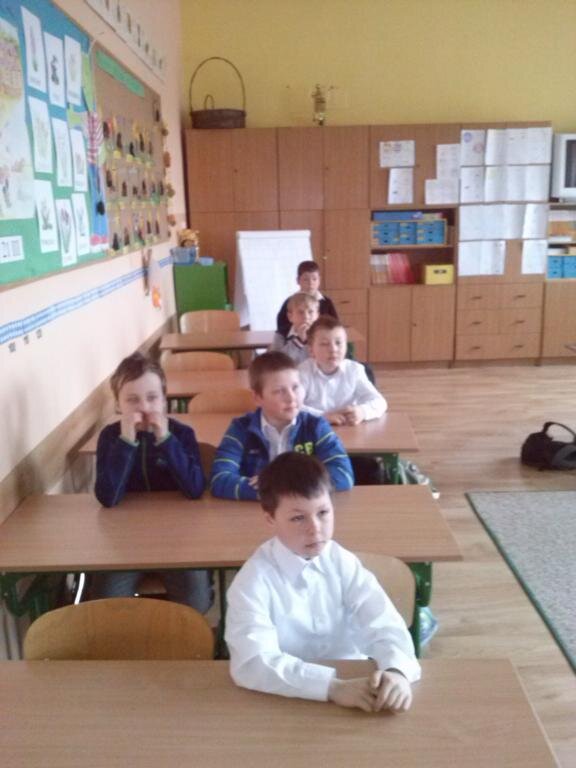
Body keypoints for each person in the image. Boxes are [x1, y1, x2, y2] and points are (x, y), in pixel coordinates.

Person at [225, 452, 421, 712]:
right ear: (270, 518)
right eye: (298, 518)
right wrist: (331, 687)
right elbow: (252, 663)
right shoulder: (252, 581)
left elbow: (384, 623)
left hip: (360, 687)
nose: (315, 529)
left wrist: (396, 671)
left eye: (323, 512)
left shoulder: (342, 562)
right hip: (284, 699)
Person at [92, 352, 212, 612]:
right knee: (105, 603)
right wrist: (127, 442)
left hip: (178, 540)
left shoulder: (181, 434)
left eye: (152, 398)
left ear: (165, 399)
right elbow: (108, 498)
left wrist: (166, 440)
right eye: (132, 400)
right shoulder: (110, 438)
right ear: (118, 405)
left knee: (197, 603)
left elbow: (194, 489)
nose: (144, 407)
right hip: (124, 543)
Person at [209, 351, 354, 500]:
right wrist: (285, 490)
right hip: (256, 511)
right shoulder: (240, 429)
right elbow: (219, 480)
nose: (291, 398)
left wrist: (280, 484)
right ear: (257, 398)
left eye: (295, 387)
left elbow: (343, 475)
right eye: (279, 391)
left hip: (303, 510)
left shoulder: (316, 426)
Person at [299, 315, 387, 425]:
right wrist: (322, 416)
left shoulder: (354, 370)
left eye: (338, 343)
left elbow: (380, 402)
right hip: (314, 430)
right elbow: (293, 407)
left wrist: (362, 411)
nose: (333, 349)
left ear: (346, 346)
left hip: (349, 428)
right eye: (324, 344)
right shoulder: (302, 372)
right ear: (311, 350)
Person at [276, 260, 338, 338]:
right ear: (298, 280)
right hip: (295, 339)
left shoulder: (326, 302)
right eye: (306, 279)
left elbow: (335, 324)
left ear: (319, 280)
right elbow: (281, 325)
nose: (311, 283)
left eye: (314, 279)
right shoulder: (290, 301)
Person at [270, 292, 319, 364]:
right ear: (290, 316)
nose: (306, 316)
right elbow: (276, 361)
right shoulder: (282, 334)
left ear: (317, 315)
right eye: (300, 312)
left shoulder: (321, 333)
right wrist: (299, 341)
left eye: (310, 312)